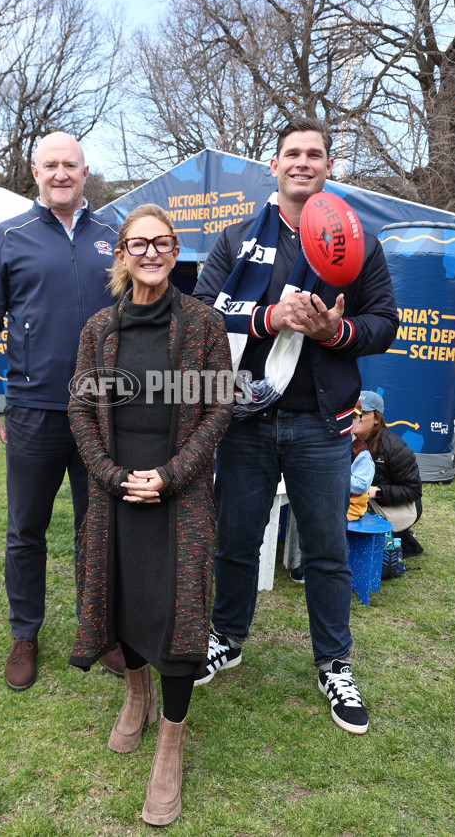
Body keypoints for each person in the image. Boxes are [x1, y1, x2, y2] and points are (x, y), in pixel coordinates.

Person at [192, 117, 399, 735]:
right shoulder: (236, 239)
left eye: (315, 154)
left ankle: (334, 664)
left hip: (321, 425)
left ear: (329, 167)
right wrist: (267, 318)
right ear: (274, 166)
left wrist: (336, 332)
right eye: (292, 153)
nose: (302, 162)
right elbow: (200, 315)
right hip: (246, 419)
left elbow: (384, 324)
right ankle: (226, 637)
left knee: (327, 550)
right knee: (236, 539)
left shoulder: (358, 244)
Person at [68, 204, 232, 826]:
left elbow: (218, 409)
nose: (152, 253)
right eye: (139, 244)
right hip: (116, 490)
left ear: (176, 250)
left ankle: (171, 740)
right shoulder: (99, 330)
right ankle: (135, 695)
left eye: (163, 243)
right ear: (121, 254)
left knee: (180, 610)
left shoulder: (203, 324)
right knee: (126, 599)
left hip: (178, 490)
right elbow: (81, 409)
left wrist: (171, 474)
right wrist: (111, 476)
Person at [0, 131, 119, 691]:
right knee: (26, 529)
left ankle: (96, 629)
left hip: (102, 413)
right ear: (35, 172)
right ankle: (24, 633)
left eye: (70, 165)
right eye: (50, 164)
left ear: (85, 172)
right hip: (33, 410)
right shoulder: (8, 237)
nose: (61, 173)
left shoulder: (114, 237)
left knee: (96, 527)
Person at [290, 400, 375, 583]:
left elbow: (362, 484)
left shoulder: (361, 453)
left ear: (359, 422)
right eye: (342, 417)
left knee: (321, 521)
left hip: (350, 506)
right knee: (307, 516)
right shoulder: (327, 444)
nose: (348, 422)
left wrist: (334, 475)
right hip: (329, 499)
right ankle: (310, 561)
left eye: (352, 418)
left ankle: (317, 567)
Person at [356, 390, 423, 557]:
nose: (358, 417)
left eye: (363, 413)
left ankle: (400, 539)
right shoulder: (344, 439)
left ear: (377, 419)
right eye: (354, 413)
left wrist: (376, 491)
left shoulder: (395, 447)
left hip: (388, 504)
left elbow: (413, 490)